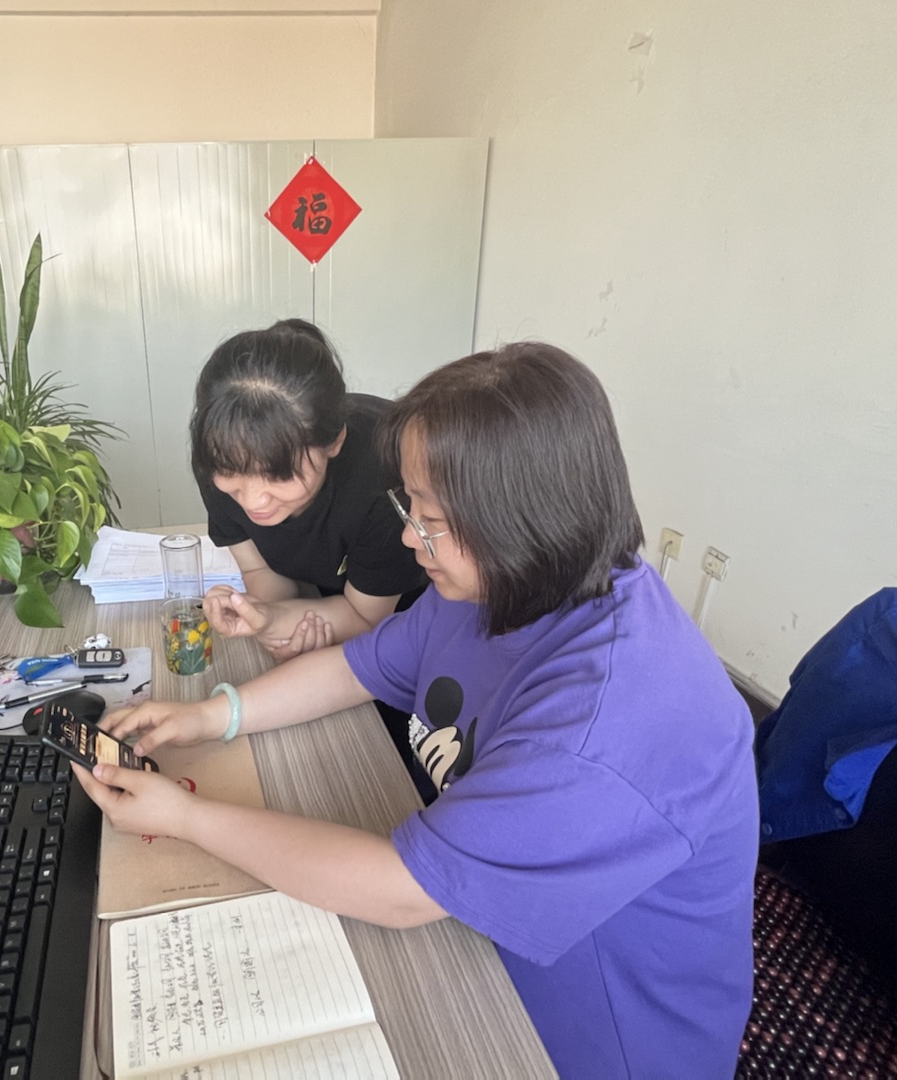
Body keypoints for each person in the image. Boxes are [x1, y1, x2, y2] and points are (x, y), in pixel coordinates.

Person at [77, 343, 761, 1078]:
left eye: (428, 519)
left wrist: (184, 816)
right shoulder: (496, 586)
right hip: (473, 939)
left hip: (572, 1037)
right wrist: (211, 716)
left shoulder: (603, 727)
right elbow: (359, 666)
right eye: (410, 507)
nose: (409, 537)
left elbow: (401, 892)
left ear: (519, 520)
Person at [190, 319, 426, 665]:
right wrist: (267, 617)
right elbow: (259, 570)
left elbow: (365, 616)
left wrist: (281, 621)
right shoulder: (216, 457)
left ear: (334, 442)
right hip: (324, 594)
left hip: (410, 611)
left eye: (279, 474)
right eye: (230, 472)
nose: (253, 500)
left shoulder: (385, 475)